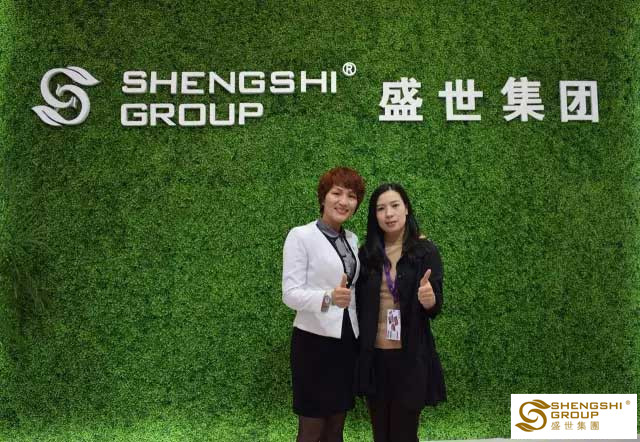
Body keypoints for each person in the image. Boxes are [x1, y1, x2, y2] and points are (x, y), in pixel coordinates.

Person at [356, 183, 446, 442]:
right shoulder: (367, 254)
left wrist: (429, 300)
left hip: (410, 357)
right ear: (374, 215)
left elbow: (436, 306)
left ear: (406, 208)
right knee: (380, 434)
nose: (389, 214)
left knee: (404, 434)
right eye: (381, 208)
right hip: (375, 358)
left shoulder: (425, 251)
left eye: (395, 205)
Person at [282, 167, 366, 442]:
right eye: (336, 193)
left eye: (351, 196)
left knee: (336, 427)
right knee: (312, 428)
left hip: (346, 342)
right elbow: (290, 294)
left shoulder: (351, 239)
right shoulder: (300, 236)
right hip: (313, 344)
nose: (344, 201)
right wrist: (328, 297)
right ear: (323, 197)